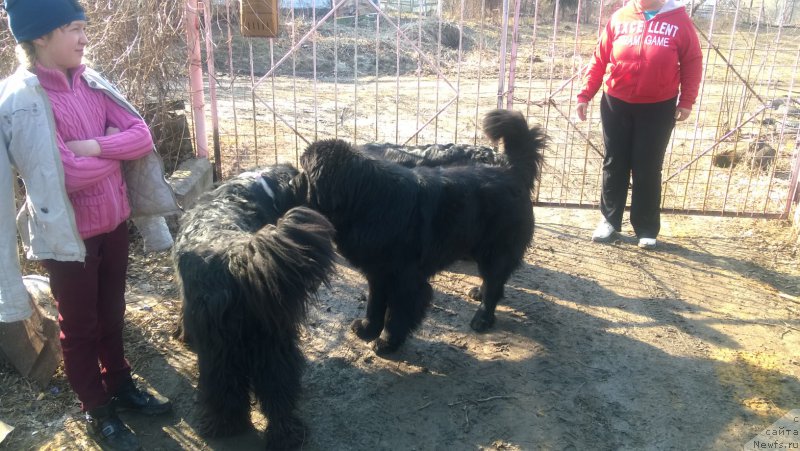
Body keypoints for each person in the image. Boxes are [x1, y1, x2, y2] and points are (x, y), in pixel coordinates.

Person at [0, 0, 181, 449]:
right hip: (68, 239)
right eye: (72, 28)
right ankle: (96, 407)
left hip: (114, 224)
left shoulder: (92, 82)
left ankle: (119, 383)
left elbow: (141, 137)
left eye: (84, 27)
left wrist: (94, 147)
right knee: (79, 326)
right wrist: (114, 151)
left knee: (112, 312)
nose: (84, 38)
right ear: (40, 36)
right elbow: (65, 174)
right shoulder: (22, 101)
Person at [575, 0, 703, 249]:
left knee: (648, 166)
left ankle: (646, 228)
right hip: (616, 101)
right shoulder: (620, 17)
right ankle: (609, 221)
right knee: (614, 162)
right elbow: (600, 58)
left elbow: (692, 61)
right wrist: (585, 94)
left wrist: (687, 100)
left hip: (658, 105)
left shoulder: (679, 21)